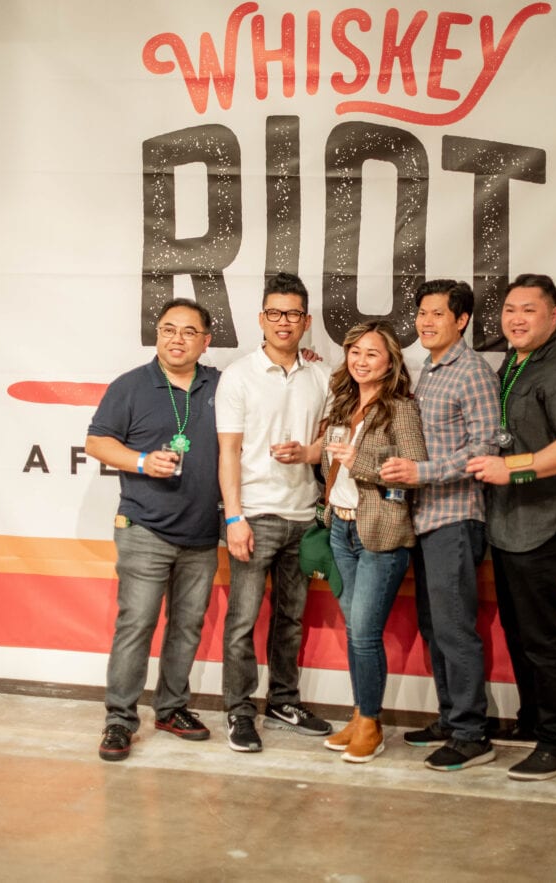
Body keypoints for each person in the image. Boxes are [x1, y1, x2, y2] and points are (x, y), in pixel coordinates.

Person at [467, 273, 556, 781]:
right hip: (509, 524)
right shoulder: (515, 362)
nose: (516, 319)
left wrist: (513, 467)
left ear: (553, 316)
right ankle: (532, 722)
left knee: (543, 638)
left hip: (545, 526)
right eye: (509, 311)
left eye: (529, 310)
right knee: (521, 632)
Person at [86, 298, 220, 762]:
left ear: (206, 340)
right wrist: (142, 461)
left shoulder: (223, 386)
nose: (176, 339)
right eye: (167, 329)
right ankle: (119, 721)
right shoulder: (131, 385)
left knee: (186, 628)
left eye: (187, 331)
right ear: (157, 335)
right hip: (144, 528)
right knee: (137, 626)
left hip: (203, 534)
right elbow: (97, 441)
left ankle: (171, 708)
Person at [379, 279, 500, 771]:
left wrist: (420, 473)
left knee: (454, 629)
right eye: (421, 314)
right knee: (434, 625)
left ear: (462, 320)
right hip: (424, 519)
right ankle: (451, 719)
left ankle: (473, 733)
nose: (425, 323)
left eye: (437, 314)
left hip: (455, 517)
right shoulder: (425, 368)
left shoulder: (471, 372)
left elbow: (484, 450)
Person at [215, 272, 332, 752]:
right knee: (242, 621)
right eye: (275, 313)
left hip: (303, 518)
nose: (284, 322)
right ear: (261, 319)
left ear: (306, 322)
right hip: (255, 516)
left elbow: (333, 442)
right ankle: (239, 711)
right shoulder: (238, 376)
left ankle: (284, 701)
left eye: (293, 314)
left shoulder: (322, 376)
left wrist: (310, 452)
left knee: (291, 620)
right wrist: (234, 517)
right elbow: (228, 453)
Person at [320, 320, 427, 764]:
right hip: (341, 529)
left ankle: (372, 724)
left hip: (381, 534)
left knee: (364, 634)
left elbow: (415, 466)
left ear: (389, 364)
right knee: (355, 633)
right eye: (355, 352)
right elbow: (330, 457)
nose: (361, 361)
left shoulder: (399, 407)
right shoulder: (344, 402)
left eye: (372, 354)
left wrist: (358, 459)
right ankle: (360, 714)